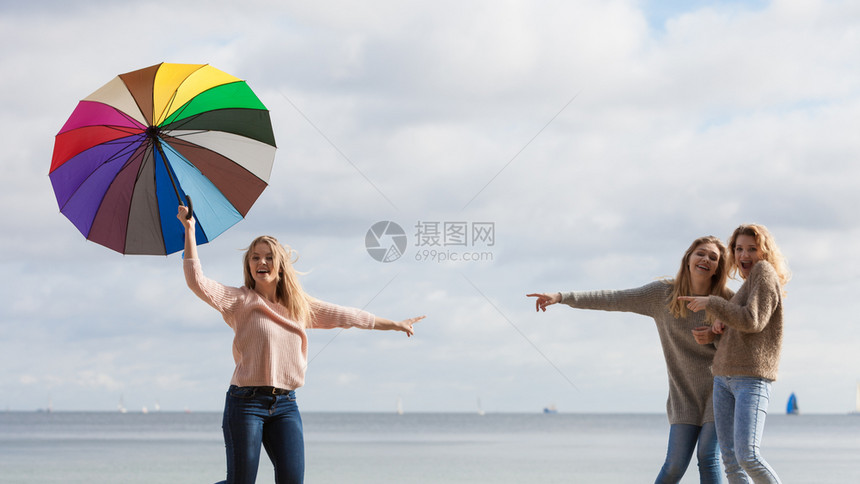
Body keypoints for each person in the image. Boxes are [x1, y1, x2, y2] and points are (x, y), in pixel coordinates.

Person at [177, 205, 425, 484]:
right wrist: (189, 231)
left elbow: (349, 315)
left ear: (280, 264)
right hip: (245, 403)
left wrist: (394, 324)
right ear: (248, 265)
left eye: (269, 257)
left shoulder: (299, 307)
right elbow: (196, 281)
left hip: (285, 404)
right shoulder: (239, 301)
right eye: (255, 257)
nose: (262, 262)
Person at [528, 236, 733, 484]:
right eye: (701, 253)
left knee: (707, 456)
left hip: (721, 390)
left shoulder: (726, 302)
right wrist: (562, 296)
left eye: (714, 258)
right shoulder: (662, 295)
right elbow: (614, 298)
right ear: (688, 258)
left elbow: (749, 337)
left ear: (718, 268)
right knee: (674, 466)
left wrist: (714, 335)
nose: (706, 260)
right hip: (684, 396)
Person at [680, 224, 790, 484]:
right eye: (739, 249)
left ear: (764, 252)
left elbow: (753, 321)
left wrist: (713, 303)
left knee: (747, 456)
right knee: (730, 460)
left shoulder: (764, 272)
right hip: (723, 378)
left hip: (750, 378)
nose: (744, 255)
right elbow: (742, 329)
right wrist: (717, 332)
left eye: (752, 249)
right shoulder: (746, 286)